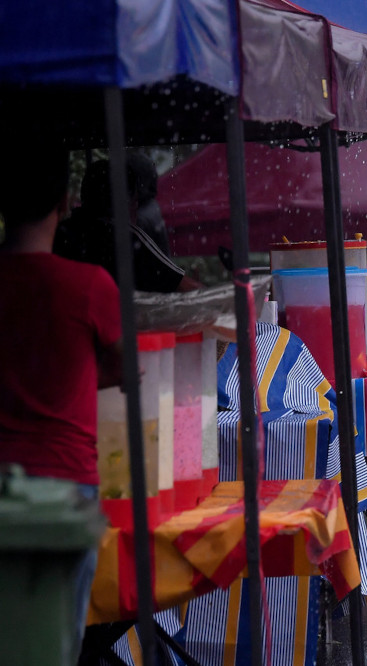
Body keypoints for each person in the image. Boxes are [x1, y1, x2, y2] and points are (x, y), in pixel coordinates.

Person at [0, 134, 123, 655]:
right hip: (68, 486)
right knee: (57, 641)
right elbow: (124, 369)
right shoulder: (91, 286)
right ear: (66, 202)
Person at [54, 156, 200, 292]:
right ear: (126, 204)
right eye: (136, 203)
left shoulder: (60, 234)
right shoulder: (127, 239)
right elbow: (186, 287)